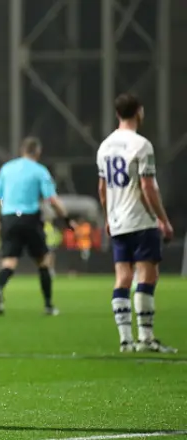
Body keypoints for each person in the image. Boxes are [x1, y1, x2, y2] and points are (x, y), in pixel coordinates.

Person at [97, 93, 176, 354]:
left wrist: (108, 216)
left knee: (122, 278)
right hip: (141, 220)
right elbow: (147, 186)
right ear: (139, 112)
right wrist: (163, 219)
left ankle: (124, 341)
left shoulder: (105, 146)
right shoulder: (142, 145)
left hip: (117, 220)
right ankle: (146, 338)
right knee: (147, 276)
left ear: (117, 114)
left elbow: (102, 188)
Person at [0, 137, 74, 316]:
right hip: (30, 218)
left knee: (9, 262)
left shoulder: (6, 168)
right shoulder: (40, 171)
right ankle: (48, 305)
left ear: (22, 150)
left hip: (9, 218)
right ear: (37, 152)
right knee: (44, 261)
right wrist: (66, 219)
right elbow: (52, 199)